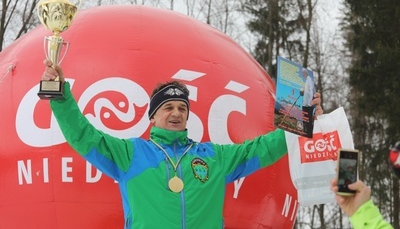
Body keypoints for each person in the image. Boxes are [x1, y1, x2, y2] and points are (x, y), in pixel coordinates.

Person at [41, 59, 323, 228]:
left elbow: (261, 148)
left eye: (182, 108)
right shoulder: (131, 154)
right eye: (168, 107)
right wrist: (60, 96)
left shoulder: (213, 157)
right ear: (153, 116)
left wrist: (303, 118)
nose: (176, 113)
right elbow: (84, 136)